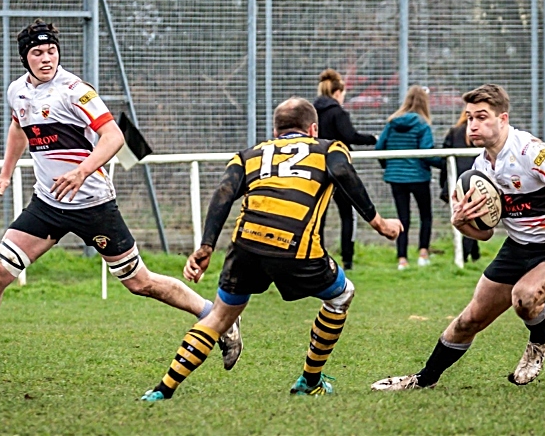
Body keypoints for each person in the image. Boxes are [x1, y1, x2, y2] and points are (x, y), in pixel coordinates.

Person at [0, 19, 241, 384]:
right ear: (25, 58)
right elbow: (18, 128)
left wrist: (82, 172)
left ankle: (218, 316)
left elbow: (113, 136)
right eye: (37, 52)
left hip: (93, 205)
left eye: (51, 50)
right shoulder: (17, 92)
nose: (46, 58)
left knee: (140, 283)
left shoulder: (75, 91)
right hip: (48, 205)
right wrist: (5, 174)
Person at [140, 97, 403, 401]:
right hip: (296, 247)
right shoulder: (329, 148)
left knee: (220, 317)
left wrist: (206, 246)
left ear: (275, 131)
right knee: (341, 295)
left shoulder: (249, 155)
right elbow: (343, 173)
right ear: (313, 128)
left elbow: (224, 192)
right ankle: (309, 379)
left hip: (245, 246)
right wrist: (379, 223)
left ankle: (162, 390)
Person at [371, 84, 545, 391]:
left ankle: (539, 340)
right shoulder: (481, 167)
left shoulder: (532, 152)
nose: (472, 124)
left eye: (482, 117)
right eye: (469, 116)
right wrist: (461, 223)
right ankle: (422, 381)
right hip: (517, 247)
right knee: (468, 320)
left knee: (524, 297)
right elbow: (486, 234)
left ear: (503, 119)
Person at [314, 68, 377, 270]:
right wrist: (373, 139)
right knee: (347, 214)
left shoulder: (312, 112)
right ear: (338, 92)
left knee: (318, 216)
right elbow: (349, 135)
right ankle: (347, 260)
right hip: (338, 169)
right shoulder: (337, 112)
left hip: (316, 167)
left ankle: (317, 257)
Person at [375, 85, 441, 270]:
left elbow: (380, 148)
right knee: (425, 215)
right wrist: (442, 163)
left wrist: (389, 167)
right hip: (418, 176)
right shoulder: (422, 124)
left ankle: (402, 259)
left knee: (402, 218)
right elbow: (426, 152)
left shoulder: (392, 123)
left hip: (396, 178)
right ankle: (423, 253)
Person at [439, 109, 480, 262]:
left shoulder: (454, 132)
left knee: (468, 218)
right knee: (473, 218)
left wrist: (444, 184)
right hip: (476, 181)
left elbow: (445, 161)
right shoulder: (482, 134)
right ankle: (465, 255)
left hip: (457, 182)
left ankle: (470, 254)